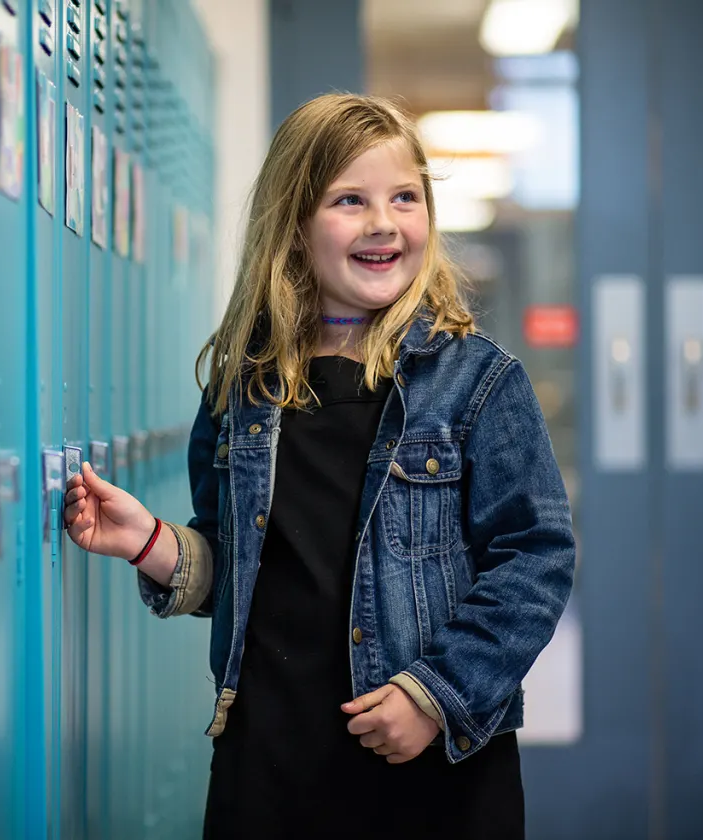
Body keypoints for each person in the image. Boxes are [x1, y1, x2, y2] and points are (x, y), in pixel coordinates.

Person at [63, 93, 576, 839]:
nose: (383, 222)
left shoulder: (478, 383)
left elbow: (536, 558)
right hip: (272, 767)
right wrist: (147, 541)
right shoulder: (245, 385)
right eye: (349, 200)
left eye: (406, 197)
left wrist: (437, 695)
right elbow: (236, 569)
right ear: (296, 226)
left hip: (427, 774)